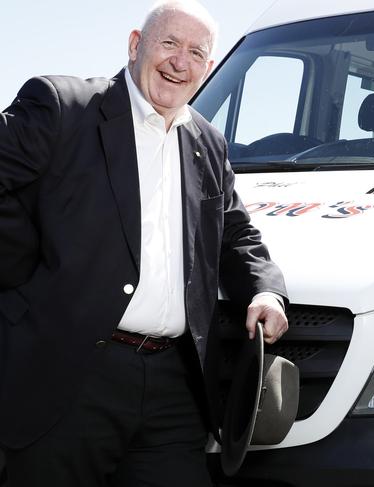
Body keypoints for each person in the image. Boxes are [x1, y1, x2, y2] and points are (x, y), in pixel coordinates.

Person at [0, 1, 289, 486]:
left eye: (197, 52)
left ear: (209, 68)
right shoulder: (61, 106)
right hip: (70, 380)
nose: (181, 62)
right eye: (170, 44)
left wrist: (264, 290)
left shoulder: (208, 142)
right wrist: (27, 264)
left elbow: (237, 233)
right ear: (136, 45)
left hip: (174, 388)